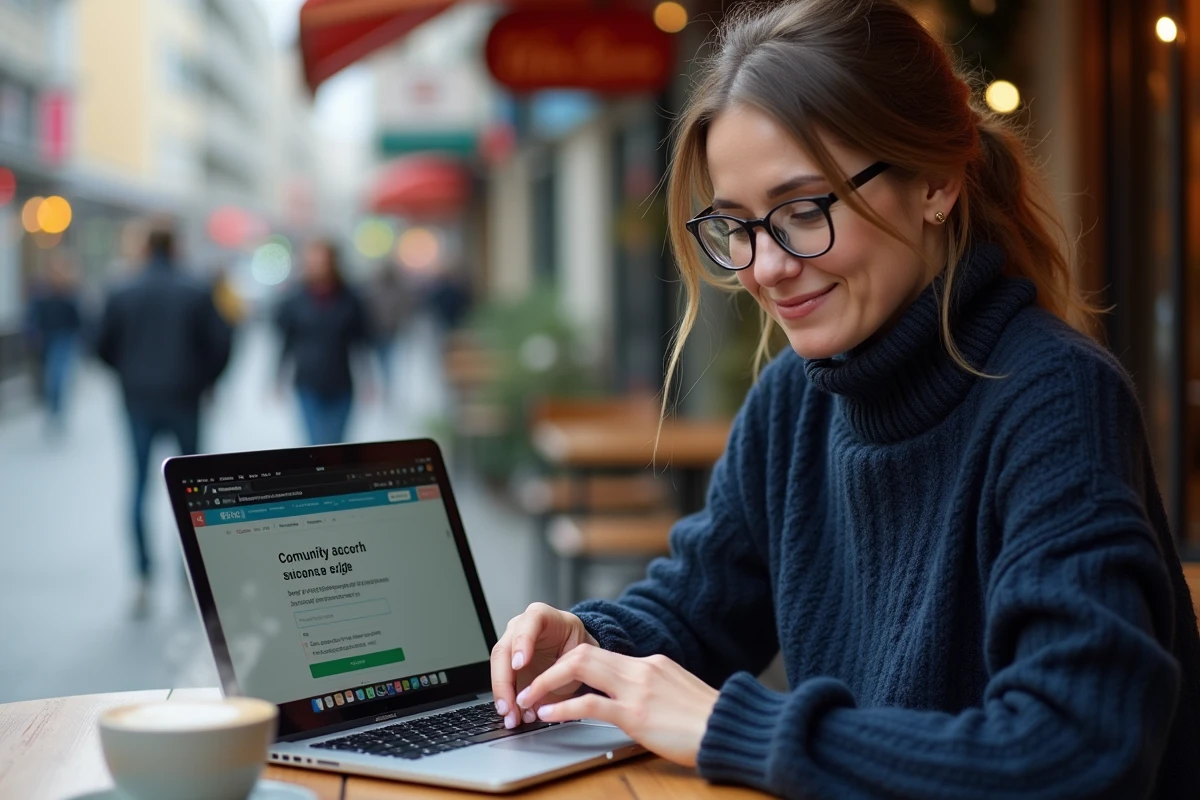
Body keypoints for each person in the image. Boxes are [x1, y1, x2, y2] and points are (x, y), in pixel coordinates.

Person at [489, 2, 1200, 798]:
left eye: (801, 211)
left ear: (935, 182)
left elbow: (1076, 748)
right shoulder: (794, 399)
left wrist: (734, 726)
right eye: (737, 225)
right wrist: (585, 644)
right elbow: (702, 606)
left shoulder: (1054, 398)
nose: (764, 266)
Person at [95, 224, 232, 615]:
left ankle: (142, 577)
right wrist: (204, 379)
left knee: (138, 484)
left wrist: (129, 373)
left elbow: (101, 345)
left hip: (138, 399)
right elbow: (222, 342)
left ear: (143, 247)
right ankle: (190, 575)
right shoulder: (195, 290)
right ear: (176, 247)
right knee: (191, 489)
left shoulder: (122, 291)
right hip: (185, 398)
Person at [276, 240, 370, 445]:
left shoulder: (350, 298)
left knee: (337, 442)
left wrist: (369, 379)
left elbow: (361, 340)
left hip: (341, 381)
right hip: (308, 381)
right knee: (315, 444)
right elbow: (286, 341)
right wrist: (277, 378)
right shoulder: (295, 300)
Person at [25, 250, 85, 433]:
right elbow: (34, 313)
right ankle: (53, 409)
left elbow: (79, 317)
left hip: (64, 338)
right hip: (47, 338)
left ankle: (56, 411)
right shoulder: (42, 291)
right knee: (51, 375)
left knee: (57, 375)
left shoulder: (69, 291)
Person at [364, 262, 412, 402]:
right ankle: (385, 383)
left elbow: (403, 310)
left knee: (387, 360)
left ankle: (387, 384)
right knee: (383, 360)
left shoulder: (393, 292)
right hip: (377, 333)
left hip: (390, 332)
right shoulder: (373, 292)